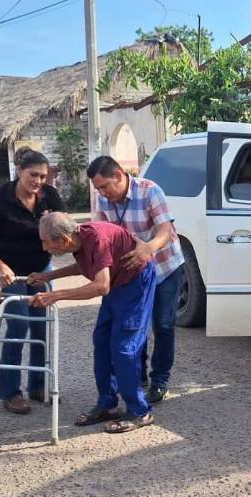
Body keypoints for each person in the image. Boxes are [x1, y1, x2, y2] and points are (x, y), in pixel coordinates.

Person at [27, 212, 156, 433]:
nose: (44, 248)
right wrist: (48, 276)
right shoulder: (79, 240)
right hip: (116, 283)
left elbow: (100, 286)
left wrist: (55, 296)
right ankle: (107, 404)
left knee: (124, 348)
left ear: (64, 240)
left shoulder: (97, 238)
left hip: (135, 283)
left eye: (46, 242)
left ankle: (140, 411)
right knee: (102, 341)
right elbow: (88, 266)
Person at [86, 156, 184, 403]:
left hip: (163, 267)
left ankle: (160, 380)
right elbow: (101, 236)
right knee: (131, 324)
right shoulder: (102, 199)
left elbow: (165, 230)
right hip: (130, 273)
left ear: (118, 175)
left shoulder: (150, 191)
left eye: (105, 186)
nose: (102, 193)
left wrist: (146, 248)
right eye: (98, 188)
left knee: (162, 325)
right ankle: (137, 376)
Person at [0, 148, 64, 414]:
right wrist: (1, 267)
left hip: (39, 269)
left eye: (43, 176)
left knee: (40, 327)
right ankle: (10, 392)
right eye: (33, 175)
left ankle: (38, 386)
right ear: (19, 171)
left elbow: (64, 230)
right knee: (19, 325)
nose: (38, 181)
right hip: (7, 271)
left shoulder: (50, 196)